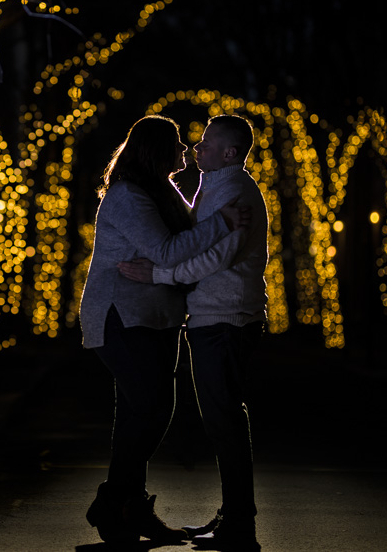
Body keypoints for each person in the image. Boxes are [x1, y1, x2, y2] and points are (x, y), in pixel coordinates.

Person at [79, 115, 249, 545]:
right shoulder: (126, 196)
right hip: (122, 317)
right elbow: (169, 251)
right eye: (176, 142)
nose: (186, 149)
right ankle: (114, 499)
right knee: (152, 410)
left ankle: (126, 511)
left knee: (139, 413)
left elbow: (184, 243)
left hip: (158, 318)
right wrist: (223, 223)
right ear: (155, 149)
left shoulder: (164, 191)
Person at [119, 114, 268, 551]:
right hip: (215, 317)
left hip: (226, 319)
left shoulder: (235, 189)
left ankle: (240, 522)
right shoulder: (219, 185)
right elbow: (201, 236)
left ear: (230, 152)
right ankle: (234, 515)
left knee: (224, 421)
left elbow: (215, 258)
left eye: (205, 142)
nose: (196, 148)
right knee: (222, 421)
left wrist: (159, 274)